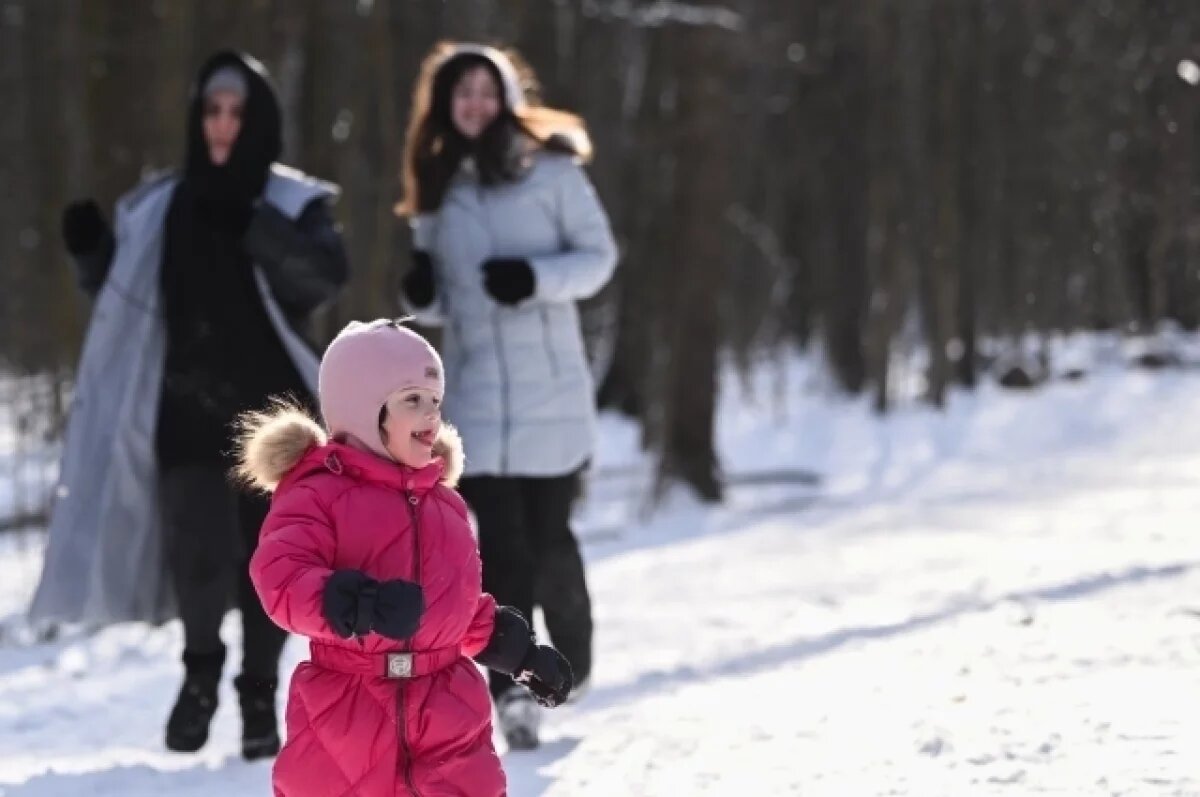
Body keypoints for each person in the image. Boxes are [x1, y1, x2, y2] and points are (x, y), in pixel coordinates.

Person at [28, 50, 349, 760]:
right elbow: (125, 298)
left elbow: (324, 276)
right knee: (198, 555)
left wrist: (254, 221)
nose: (224, 123)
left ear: (258, 118)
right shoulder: (160, 206)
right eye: (213, 109)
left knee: (274, 562)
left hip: (277, 423)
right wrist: (90, 256)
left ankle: (260, 689)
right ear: (197, 116)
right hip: (184, 413)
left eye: (237, 111)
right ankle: (200, 673)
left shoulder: (296, 203)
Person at [238, 318, 572, 795]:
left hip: (448, 711)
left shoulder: (445, 504)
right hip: (347, 718)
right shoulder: (315, 494)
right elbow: (282, 577)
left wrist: (518, 651)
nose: (430, 415)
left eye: (435, 401)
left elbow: (456, 606)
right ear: (362, 410)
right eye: (412, 400)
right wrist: (357, 603)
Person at [396, 41, 618, 749]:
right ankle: (515, 690)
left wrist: (534, 278)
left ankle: (573, 653)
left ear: (505, 97)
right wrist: (418, 290)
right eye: (460, 91)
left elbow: (598, 259)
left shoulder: (552, 171)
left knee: (550, 539)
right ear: (444, 104)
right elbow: (429, 295)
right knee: (499, 552)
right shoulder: (438, 183)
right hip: (477, 396)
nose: (474, 102)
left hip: (551, 389)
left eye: (485, 90)